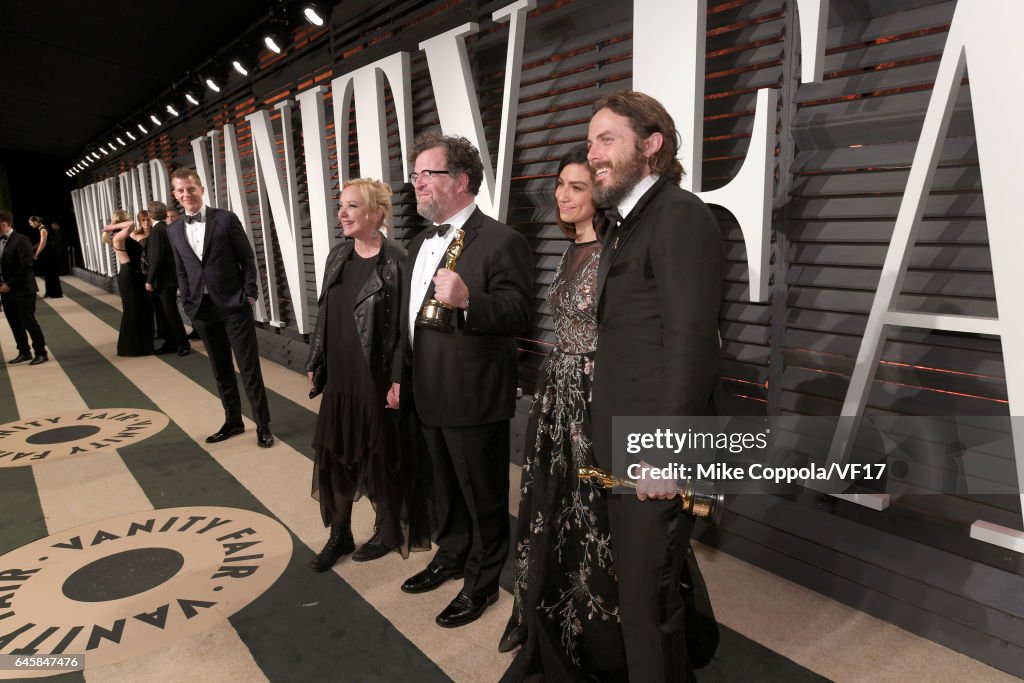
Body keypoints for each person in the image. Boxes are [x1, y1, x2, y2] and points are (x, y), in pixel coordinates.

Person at [586, 90, 723, 682]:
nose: (592, 153)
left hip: (655, 452)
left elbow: (692, 345)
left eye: (605, 139)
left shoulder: (680, 216)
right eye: (591, 141)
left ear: (652, 144)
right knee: (642, 601)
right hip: (622, 444)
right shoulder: (626, 222)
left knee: (649, 607)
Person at [397, 133, 534, 628]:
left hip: (475, 397)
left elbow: (520, 313)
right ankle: (451, 554)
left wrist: (470, 299)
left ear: (460, 180)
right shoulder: (417, 242)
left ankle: (482, 583)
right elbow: (406, 320)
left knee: (483, 496)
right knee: (443, 487)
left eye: (425, 175)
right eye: (414, 175)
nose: (416, 184)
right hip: (424, 390)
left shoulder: (503, 241)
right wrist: (399, 376)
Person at [500, 145, 625, 680]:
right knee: (546, 503)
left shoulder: (614, 253)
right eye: (561, 185)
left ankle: (591, 625)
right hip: (556, 390)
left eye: (577, 186)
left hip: (593, 400)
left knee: (591, 513)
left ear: (600, 193)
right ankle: (537, 610)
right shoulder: (568, 247)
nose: (563, 195)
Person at [305, 178, 432, 571]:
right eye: (341, 205)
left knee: (380, 459)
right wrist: (316, 360)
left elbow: (403, 330)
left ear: (376, 214)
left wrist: (398, 378)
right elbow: (326, 313)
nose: (342, 213)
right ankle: (339, 534)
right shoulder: (336, 255)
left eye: (352, 207)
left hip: (374, 379)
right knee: (337, 456)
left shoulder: (397, 260)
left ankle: (387, 530)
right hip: (340, 377)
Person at [166, 168, 273, 448]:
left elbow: (248, 259)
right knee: (220, 367)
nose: (186, 194)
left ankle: (263, 424)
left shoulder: (225, 219)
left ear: (201, 189)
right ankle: (233, 421)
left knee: (248, 367)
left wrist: (249, 295)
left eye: (191, 188)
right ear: (175, 195)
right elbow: (181, 270)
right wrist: (187, 302)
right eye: (180, 190)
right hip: (201, 309)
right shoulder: (173, 229)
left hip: (234, 305)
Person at [102, 210, 154, 357]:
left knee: (137, 309)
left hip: (134, 274)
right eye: (128, 219)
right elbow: (131, 224)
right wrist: (109, 227)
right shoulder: (118, 236)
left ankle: (139, 345)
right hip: (130, 274)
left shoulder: (120, 236)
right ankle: (133, 347)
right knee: (133, 309)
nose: (131, 221)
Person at [0, 210, 48, 365]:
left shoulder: (21, 239)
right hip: (6, 290)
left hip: (23, 289)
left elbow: (27, 265)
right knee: (14, 322)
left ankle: (41, 352)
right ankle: (24, 351)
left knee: (28, 321)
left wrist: (10, 284)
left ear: (4, 223)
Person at [145, 201, 190, 356]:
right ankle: (172, 342)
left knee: (170, 313)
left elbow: (156, 257)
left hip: (164, 279)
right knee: (168, 312)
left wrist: (150, 280)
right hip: (171, 276)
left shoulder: (157, 230)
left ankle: (182, 344)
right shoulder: (168, 228)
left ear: (150, 215)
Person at [27, 216, 62, 298]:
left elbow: (43, 243)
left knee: (50, 273)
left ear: (35, 221)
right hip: (49, 252)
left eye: (31, 223)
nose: (30, 225)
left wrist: (36, 254)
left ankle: (55, 293)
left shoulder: (43, 229)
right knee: (48, 273)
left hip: (49, 253)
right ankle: (50, 292)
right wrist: (33, 247)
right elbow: (41, 242)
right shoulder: (43, 228)